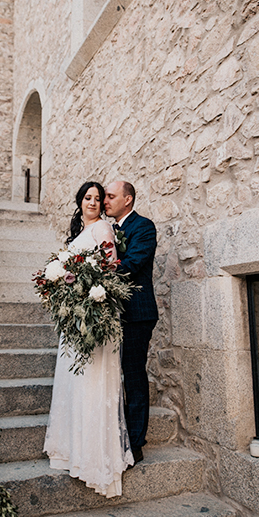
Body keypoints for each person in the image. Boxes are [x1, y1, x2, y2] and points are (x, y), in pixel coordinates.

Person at [43, 181, 134, 497]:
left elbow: (109, 271)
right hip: (74, 320)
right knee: (74, 384)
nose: (94, 202)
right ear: (80, 201)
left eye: (98, 198)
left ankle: (95, 457)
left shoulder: (104, 231)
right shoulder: (77, 234)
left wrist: (87, 296)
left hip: (95, 319)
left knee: (92, 384)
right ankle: (73, 449)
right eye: (88, 197)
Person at [103, 180, 158, 466]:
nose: (105, 201)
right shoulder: (107, 230)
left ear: (128, 199)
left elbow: (133, 264)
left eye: (111, 196)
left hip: (136, 314)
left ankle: (136, 441)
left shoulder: (144, 227)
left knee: (134, 376)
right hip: (112, 314)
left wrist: (95, 274)